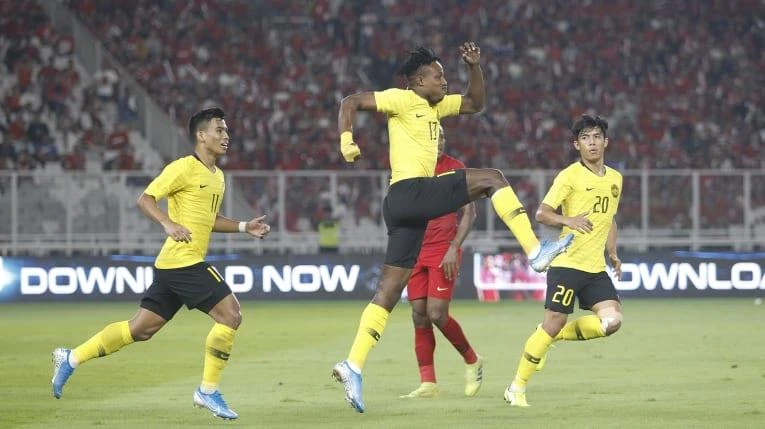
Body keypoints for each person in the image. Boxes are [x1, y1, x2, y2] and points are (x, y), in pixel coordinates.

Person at [332, 42, 574, 413]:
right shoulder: (401, 99)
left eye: (445, 76)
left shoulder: (436, 106)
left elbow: (475, 103)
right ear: (418, 81)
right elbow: (350, 102)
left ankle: (353, 365)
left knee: (388, 291)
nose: (444, 82)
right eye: (438, 76)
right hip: (410, 191)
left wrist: (474, 67)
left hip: (401, 208)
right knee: (492, 178)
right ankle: (535, 252)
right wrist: (347, 141)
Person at [50, 107, 271, 420]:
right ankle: (207, 390)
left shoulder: (217, 177)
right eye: (219, 130)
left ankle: (70, 357)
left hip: (172, 265)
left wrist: (244, 226)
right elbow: (145, 199)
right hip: (184, 261)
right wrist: (168, 223)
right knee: (231, 314)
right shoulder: (183, 167)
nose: (226, 136)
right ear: (201, 135)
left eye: (226, 130)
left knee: (140, 329)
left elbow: (207, 220)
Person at [504, 114, 624, 407]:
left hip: (595, 268)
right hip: (567, 264)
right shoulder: (569, 175)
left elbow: (609, 219)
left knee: (612, 322)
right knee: (553, 323)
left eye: (596, 137)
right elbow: (542, 213)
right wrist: (568, 220)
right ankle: (516, 388)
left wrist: (612, 253)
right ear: (576, 145)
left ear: (606, 142)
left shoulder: (615, 179)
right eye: (585, 138)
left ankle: (551, 338)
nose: (592, 142)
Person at [399, 126, 482, 399]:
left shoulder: (455, 168)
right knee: (418, 314)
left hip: (443, 249)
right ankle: (428, 383)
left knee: (436, 313)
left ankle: (472, 360)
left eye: (441, 137)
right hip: (416, 250)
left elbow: (469, 213)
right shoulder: (409, 168)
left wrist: (454, 247)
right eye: (432, 137)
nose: (438, 142)